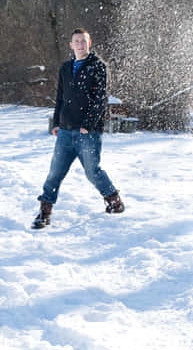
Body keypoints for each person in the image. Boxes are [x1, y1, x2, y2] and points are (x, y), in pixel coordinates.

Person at [33, 28, 125, 229]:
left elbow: (100, 99)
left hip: (88, 132)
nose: (80, 45)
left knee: (92, 172)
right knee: (55, 173)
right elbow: (60, 97)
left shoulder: (98, 66)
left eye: (83, 41)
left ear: (89, 43)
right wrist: (56, 123)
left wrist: (88, 124)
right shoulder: (66, 68)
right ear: (71, 45)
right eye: (76, 41)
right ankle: (44, 211)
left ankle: (114, 200)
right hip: (65, 131)